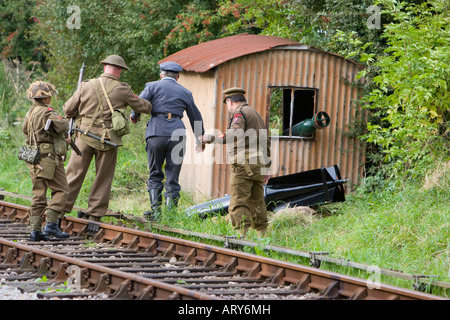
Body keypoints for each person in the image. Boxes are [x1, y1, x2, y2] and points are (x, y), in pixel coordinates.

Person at [63, 55, 152, 221]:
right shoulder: (123, 89)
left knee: (73, 173)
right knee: (103, 176)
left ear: (105, 67)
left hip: (83, 137)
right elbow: (144, 107)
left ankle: (59, 210)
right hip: (108, 139)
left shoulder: (86, 85)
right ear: (119, 70)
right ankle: (94, 214)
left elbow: (68, 109)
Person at [131, 61, 205, 220]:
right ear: (177, 76)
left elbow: (138, 102)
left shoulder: (152, 86)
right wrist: (200, 138)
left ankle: (156, 214)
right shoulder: (185, 92)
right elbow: (195, 116)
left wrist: (134, 116)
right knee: (173, 175)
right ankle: (171, 217)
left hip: (156, 133)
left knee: (155, 173)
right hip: (177, 134)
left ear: (161, 75)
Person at [200, 87, 271, 237]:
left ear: (229, 101)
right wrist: (267, 168)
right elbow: (266, 141)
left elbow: (235, 133)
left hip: (243, 164)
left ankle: (240, 236)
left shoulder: (240, 113)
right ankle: (263, 236)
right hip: (258, 164)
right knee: (257, 200)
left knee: (239, 200)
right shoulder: (256, 114)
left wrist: (210, 138)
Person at [22, 81, 70, 241]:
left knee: (38, 194)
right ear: (45, 98)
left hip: (33, 156)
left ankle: (35, 231)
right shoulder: (47, 112)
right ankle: (51, 225)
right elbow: (62, 125)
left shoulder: (30, 112)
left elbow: (24, 129)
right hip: (48, 157)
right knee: (61, 189)